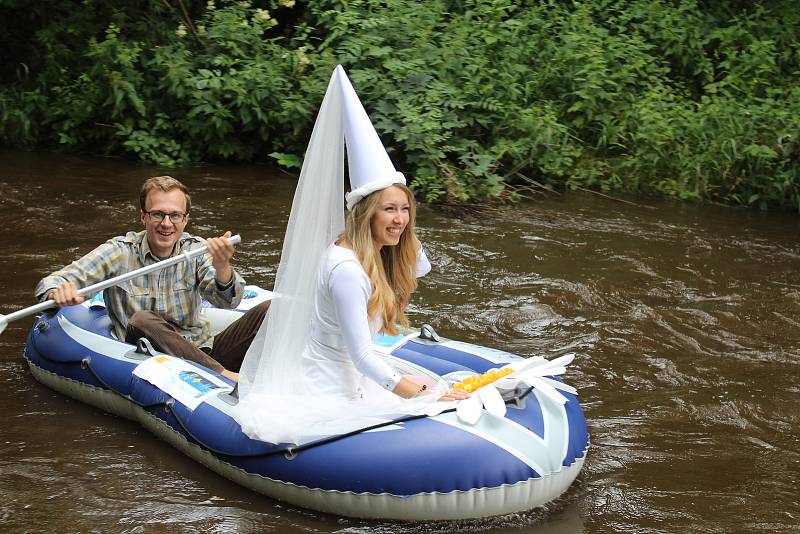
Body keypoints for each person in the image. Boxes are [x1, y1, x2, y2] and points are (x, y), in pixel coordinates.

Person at [34, 176, 269, 381]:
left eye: (175, 215)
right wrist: (57, 292)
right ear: (143, 217)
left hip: (204, 349)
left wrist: (222, 267)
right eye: (157, 214)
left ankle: (282, 374)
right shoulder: (119, 252)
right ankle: (223, 376)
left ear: (185, 219)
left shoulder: (196, 251)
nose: (166, 223)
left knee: (271, 309)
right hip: (152, 357)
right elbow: (53, 281)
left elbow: (228, 302)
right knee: (142, 320)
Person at [307, 182, 469, 401]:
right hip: (333, 385)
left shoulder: (367, 251)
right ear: (367, 213)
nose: (400, 218)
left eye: (405, 209)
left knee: (430, 385)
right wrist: (424, 395)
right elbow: (362, 357)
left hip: (354, 375)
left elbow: (422, 268)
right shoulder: (348, 271)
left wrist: (405, 232)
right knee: (428, 393)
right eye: (389, 209)